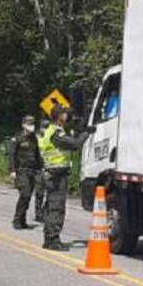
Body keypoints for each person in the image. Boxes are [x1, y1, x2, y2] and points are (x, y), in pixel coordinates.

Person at [39, 105, 90, 251]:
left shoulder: (53, 131)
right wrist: (86, 133)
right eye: (65, 114)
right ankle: (52, 240)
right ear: (59, 116)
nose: (67, 117)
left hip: (53, 173)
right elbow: (74, 144)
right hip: (56, 174)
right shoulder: (56, 133)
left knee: (51, 206)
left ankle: (50, 237)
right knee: (56, 207)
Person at [8, 114, 42, 230]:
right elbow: (12, 155)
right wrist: (12, 170)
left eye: (32, 124)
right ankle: (17, 219)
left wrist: (40, 168)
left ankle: (22, 220)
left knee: (28, 197)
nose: (31, 126)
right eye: (28, 124)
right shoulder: (17, 138)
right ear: (23, 125)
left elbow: (38, 155)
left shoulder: (34, 138)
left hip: (32, 171)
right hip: (21, 170)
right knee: (25, 194)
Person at [34, 119, 48, 222]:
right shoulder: (36, 139)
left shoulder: (51, 138)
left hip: (50, 168)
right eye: (44, 127)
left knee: (51, 193)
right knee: (39, 193)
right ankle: (39, 214)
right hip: (39, 169)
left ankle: (45, 212)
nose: (45, 129)